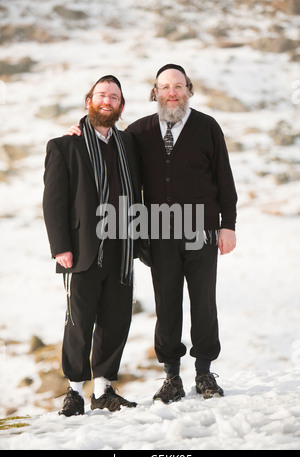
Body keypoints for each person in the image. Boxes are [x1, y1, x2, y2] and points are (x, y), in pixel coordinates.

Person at [66, 64, 238, 404]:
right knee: (167, 303)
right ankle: (171, 376)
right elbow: (107, 147)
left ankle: (204, 373)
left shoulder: (207, 127)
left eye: (178, 86)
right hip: (158, 232)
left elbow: (224, 179)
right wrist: (79, 132)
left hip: (201, 229)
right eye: (164, 87)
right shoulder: (138, 132)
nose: (171, 92)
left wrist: (227, 224)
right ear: (154, 92)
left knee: (203, 302)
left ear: (189, 89)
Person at [43, 75, 142, 416]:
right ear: (89, 100)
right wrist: (60, 247)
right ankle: (73, 391)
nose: (107, 101)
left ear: (121, 105)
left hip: (122, 247)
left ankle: (104, 390)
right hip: (83, 249)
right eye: (101, 95)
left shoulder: (129, 144)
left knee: (116, 320)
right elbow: (54, 201)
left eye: (113, 96)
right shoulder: (65, 145)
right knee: (79, 321)